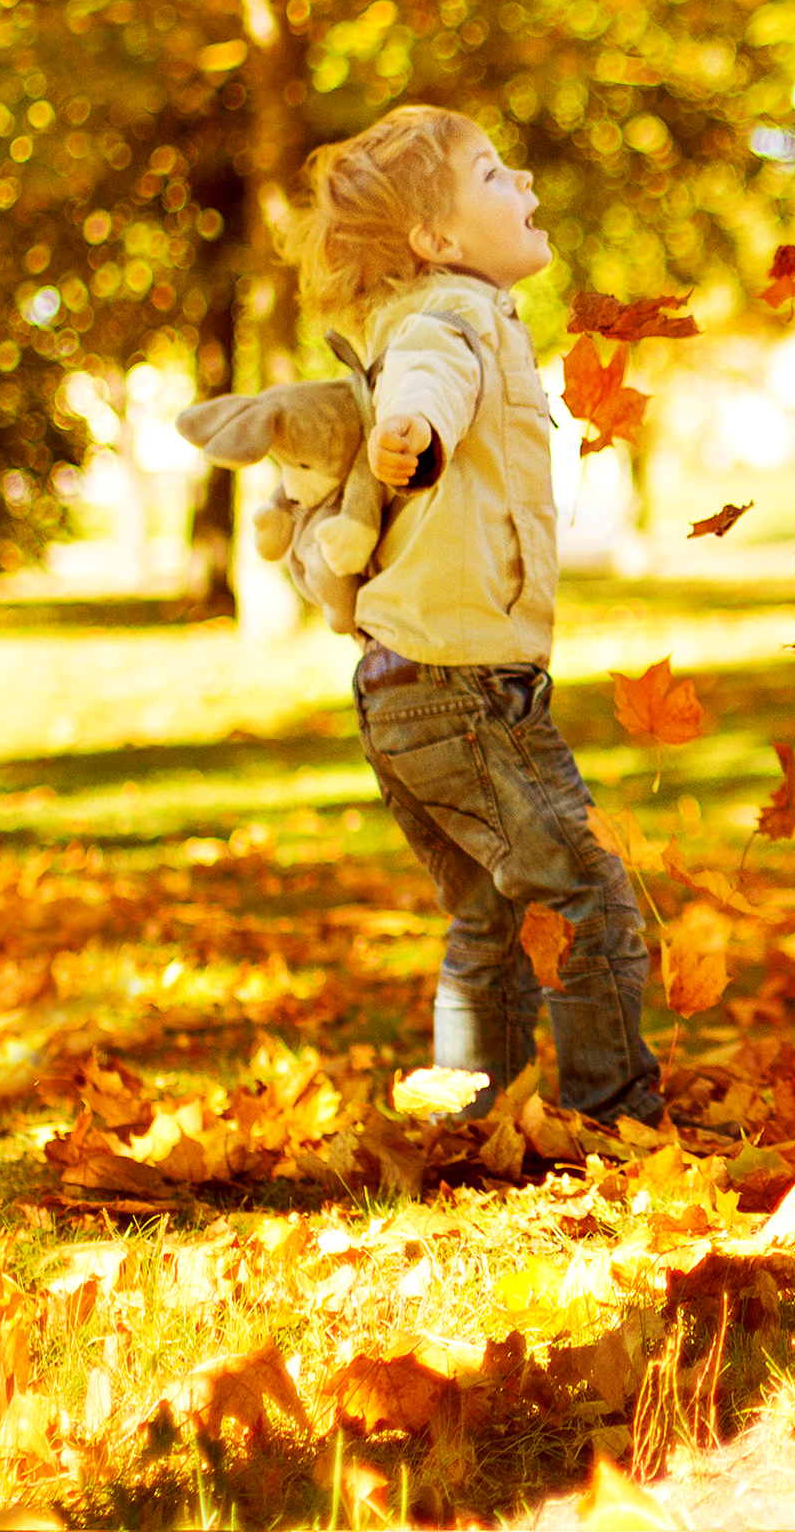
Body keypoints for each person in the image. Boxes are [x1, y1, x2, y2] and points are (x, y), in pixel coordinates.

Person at [288, 103, 666, 1129]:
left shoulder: (446, 313)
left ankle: (474, 1121)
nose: (528, 186)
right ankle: (614, 1119)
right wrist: (414, 427)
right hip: (463, 690)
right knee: (589, 892)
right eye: (496, 175)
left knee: (490, 917)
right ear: (439, 241)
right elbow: (430, 384)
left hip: (407, 684)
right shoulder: (448, 319)